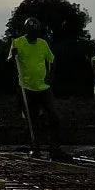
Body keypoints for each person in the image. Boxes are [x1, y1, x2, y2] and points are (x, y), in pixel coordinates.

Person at [10, 18, 66, 160]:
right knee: (32, 119)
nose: (33, 34)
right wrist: (13, 55)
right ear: (26, 31)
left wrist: (50, 77)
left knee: (54, 116)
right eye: (31, 31)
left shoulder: (43, 44)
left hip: (43, 88)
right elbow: (9, 62)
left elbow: (52, 61)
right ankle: (35, 147)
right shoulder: (17, 43)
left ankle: (55, 148)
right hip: (26, 88)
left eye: (35, 31)